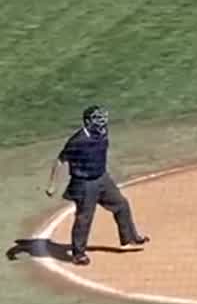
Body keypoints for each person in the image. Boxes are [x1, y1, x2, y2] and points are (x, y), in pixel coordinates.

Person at [44, 106, 148, 266]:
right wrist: (52, 185)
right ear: (87, 122)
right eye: (96, 118)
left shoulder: (103, 132)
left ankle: (130, 238)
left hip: (102, 178)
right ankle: (78, 254)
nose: (101, 122)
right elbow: (60, 160)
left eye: (102, 118)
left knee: (121, 204)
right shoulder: (78, 140)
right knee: (84, 218)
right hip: (84, 183)